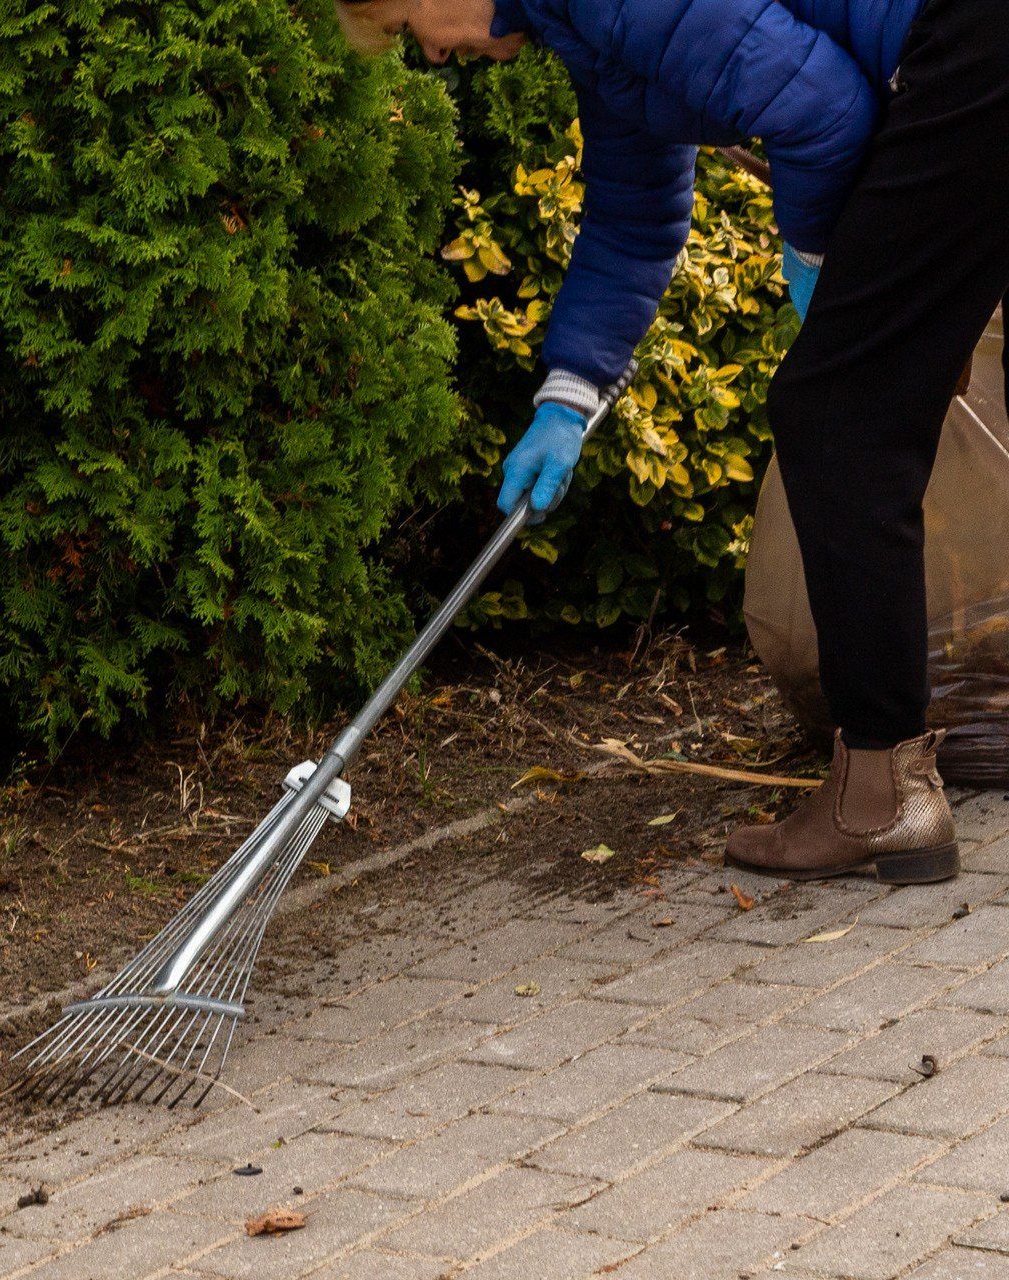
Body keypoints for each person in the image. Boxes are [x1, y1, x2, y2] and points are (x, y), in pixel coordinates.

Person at [335, 0, 1008, 885]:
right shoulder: (585, 30)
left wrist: (816, 263)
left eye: (406, 27)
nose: (429, 53)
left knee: (837, 416)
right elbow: (635, 216)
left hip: (973, 45)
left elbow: (823, 109)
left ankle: (884, 797)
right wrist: (567, 400)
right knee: (864, 399)